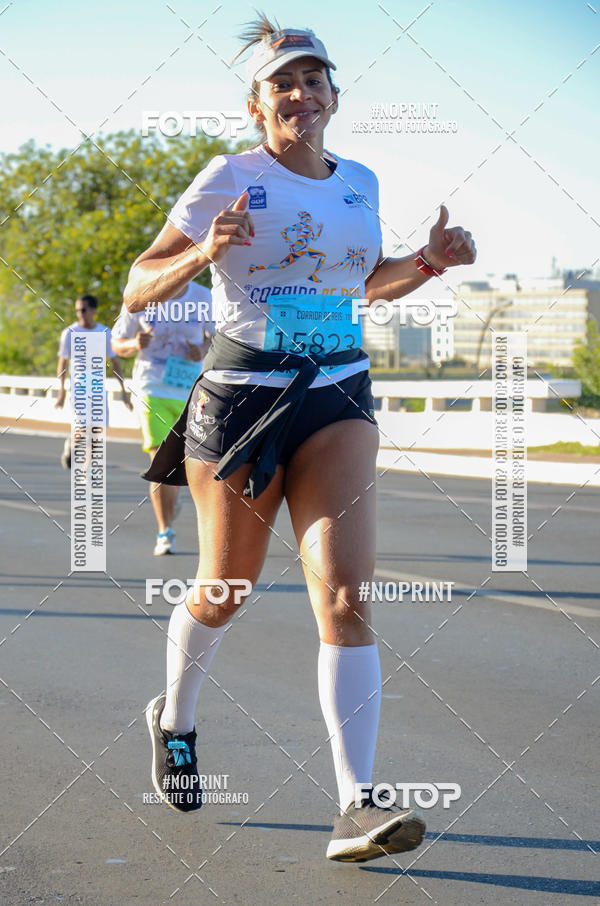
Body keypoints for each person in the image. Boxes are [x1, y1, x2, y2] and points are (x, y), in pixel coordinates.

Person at [123, 15, 476, 862]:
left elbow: (367, 284)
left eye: (314, 81)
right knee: (226, 589)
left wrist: (427, 262)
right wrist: (202, 252)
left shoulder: (359, 179)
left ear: (332, 99)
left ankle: (356, 803)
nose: (300, 94)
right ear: (258, 104)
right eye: (283, 82)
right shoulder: (225, 177)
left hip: (337, 396)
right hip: (242, 401)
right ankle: (174, 718)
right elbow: (139, 286)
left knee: (349, 596)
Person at [111, 281, 214, 555]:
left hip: (192, 391)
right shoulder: (139, 295)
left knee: (192, 465)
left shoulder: (203, 297)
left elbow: (219, 336)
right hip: (152, 388)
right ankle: (165, 531)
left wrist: (202, 350)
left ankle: (171, 498)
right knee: (160, 462)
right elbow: (116, 343)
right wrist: (134, 343)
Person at [55, 294, 132, 468]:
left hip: (97, 389)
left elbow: (115, 363)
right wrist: (61, 391)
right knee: (83, 430)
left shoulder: (104, 333)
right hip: (79, 388)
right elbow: (62, 362)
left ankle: (86, 469)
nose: (79, 313)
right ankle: (71, 444)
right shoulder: (70, 333)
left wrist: (124, 391)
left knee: (97, 431)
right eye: (77, 310)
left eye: (83, 309)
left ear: (93, 310)